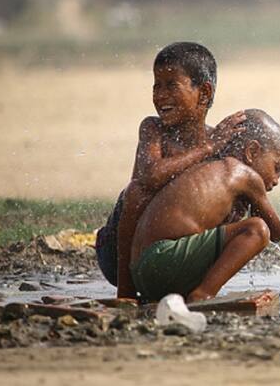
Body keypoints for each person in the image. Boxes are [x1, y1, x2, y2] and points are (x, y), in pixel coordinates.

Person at [94, 42, 246, 297]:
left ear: (204, 93)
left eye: (171, 85)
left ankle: (200, 289)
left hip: (170, 250)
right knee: (137, 191)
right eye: (156, 86)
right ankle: (126, 294)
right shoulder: (153, 129)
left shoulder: (218, 146)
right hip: (120, 253)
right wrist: (207, 149)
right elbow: (150, 176)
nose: (160, 95)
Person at [129, 109, 280, 302]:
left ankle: (188, 293)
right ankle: (203, 295)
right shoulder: (244, 175)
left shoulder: (211, 169)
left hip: (142, 272)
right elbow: (276, 232)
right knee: (257, 229)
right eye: (277, 167)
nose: (276, 180)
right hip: (162, 261)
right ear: (252, 152)